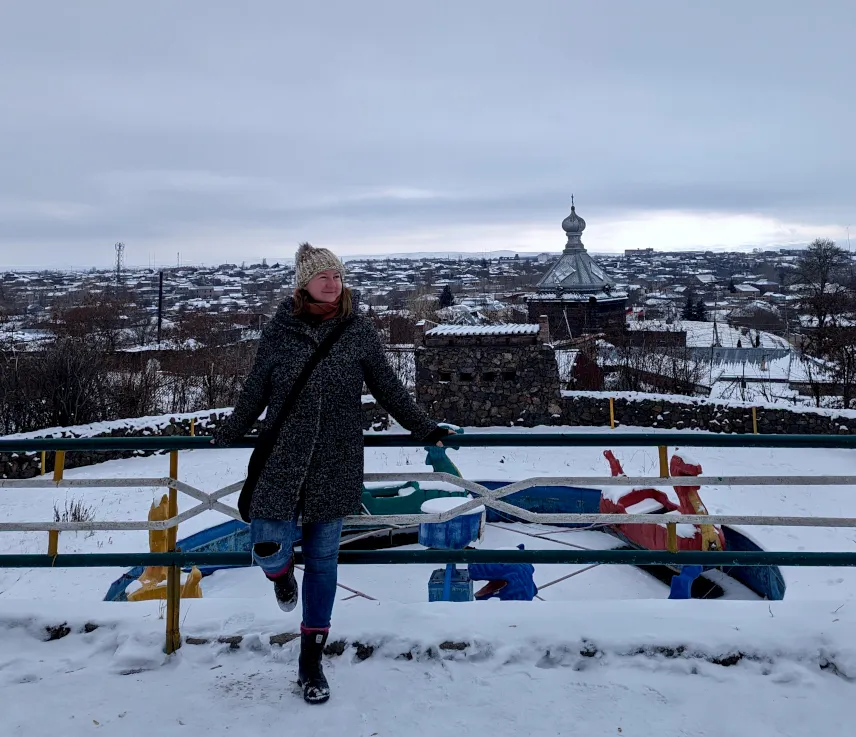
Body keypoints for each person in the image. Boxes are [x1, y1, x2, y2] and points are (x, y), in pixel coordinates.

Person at [212, 242, 451, 704]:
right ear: (304, 283)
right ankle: (280, 575)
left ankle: (311, 660)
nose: (332, 283)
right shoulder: (279, 331)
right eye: (323, 277)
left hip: (336, 459)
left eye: (337, 277)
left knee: (323, 563)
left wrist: (424, 428)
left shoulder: (358, 331)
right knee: (265, 541)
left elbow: (387, 388)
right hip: (282, 456)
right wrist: (229, 430)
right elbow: (255, 389)